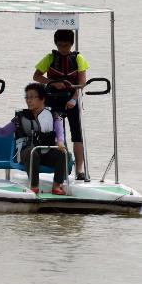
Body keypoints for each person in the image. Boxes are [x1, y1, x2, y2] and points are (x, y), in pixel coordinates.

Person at [0, 83, 68, 194]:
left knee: (62, 154)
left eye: (32, 97)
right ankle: (34, 186)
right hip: (26, 153)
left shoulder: (53, 115)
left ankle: (57, 186)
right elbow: (3, 132)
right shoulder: (20, 117)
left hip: (47, 152)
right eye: (27, 97)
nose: (28, 100)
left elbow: (60, 132)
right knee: (32, 153)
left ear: (42, 99)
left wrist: (60, 142)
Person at [32, 29, 89, 180]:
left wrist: (74, 99)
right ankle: (61, 167)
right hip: (53, 100)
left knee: (77, 135)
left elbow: (82, 82)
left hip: (71, 99)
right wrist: (52, 82)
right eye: (60, 45)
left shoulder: (78, 58)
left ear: (71, 44)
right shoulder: (50, 58)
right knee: (58, 134)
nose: (63, 49)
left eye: (66, 46)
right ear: (56, 44)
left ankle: (79, 170)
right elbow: (36, 76)